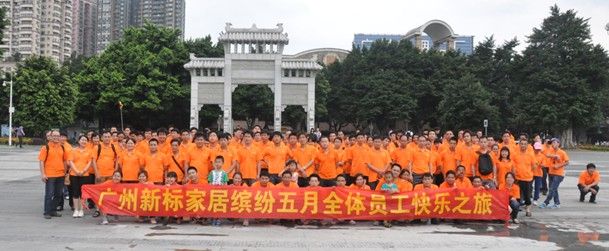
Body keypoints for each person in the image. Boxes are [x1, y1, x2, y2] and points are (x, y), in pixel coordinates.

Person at [38, 130, 74, 219]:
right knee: (49, 194)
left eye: (57, 136)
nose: (56, 137)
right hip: (50, 175)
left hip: (60, 174)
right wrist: (43, 174)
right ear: (50, 136)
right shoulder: (45, 147)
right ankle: (47, 212)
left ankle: (53, 210)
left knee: (59, 194)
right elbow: (41, 161)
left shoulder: (62, 147)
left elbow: (65, 161)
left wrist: (65, 172)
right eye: (54, 135)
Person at [539, 138, 569, 209]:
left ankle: (546, 202)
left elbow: (567, 162)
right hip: (551, 172)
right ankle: (557, 203)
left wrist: (559, 165)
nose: (553, 144)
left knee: (552, 189)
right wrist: (555, 156)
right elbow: (547, 155)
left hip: (558, 174)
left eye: (555, 142)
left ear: (558, 144)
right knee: (553, 189)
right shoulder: (550, 150)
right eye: (552, 143)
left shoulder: (562, 152)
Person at [69, 135, 93, 218]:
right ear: (79, 141)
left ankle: (82, 209)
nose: (84, 141)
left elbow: (89, 162)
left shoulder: (89, 151)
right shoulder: (73, 150)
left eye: (85, 140)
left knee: (83, 193)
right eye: (82, 140)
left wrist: (83, 171)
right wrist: (76, 171)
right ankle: (76, 209)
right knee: (75, 192)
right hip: (74, 174)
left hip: (85, 174)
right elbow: (71, 162)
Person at [513, 138, 534, 216]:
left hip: (527, 178)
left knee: (527, 195)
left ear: (527, 145)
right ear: (519, 145)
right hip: (517, 178)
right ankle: (515, 209)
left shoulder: (530, 155)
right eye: (521, 144)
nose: (523, 145)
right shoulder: (515, 154)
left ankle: (528, 209)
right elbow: (513, 166)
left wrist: (529, 172)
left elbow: (534, 166)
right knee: (517, 195)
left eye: (525, 144)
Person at [208, 156, 228, 226]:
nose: (217, 164)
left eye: (219, 162)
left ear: (222, 163)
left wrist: (225, 191)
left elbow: (225, 183)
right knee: (213, 205)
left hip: (221, 193)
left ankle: (219, 218)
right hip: (213, 192)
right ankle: (213, 218)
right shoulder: (211, 172)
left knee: (219, 206)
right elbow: (210, 182)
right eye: (216, 162)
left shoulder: (224, 173)